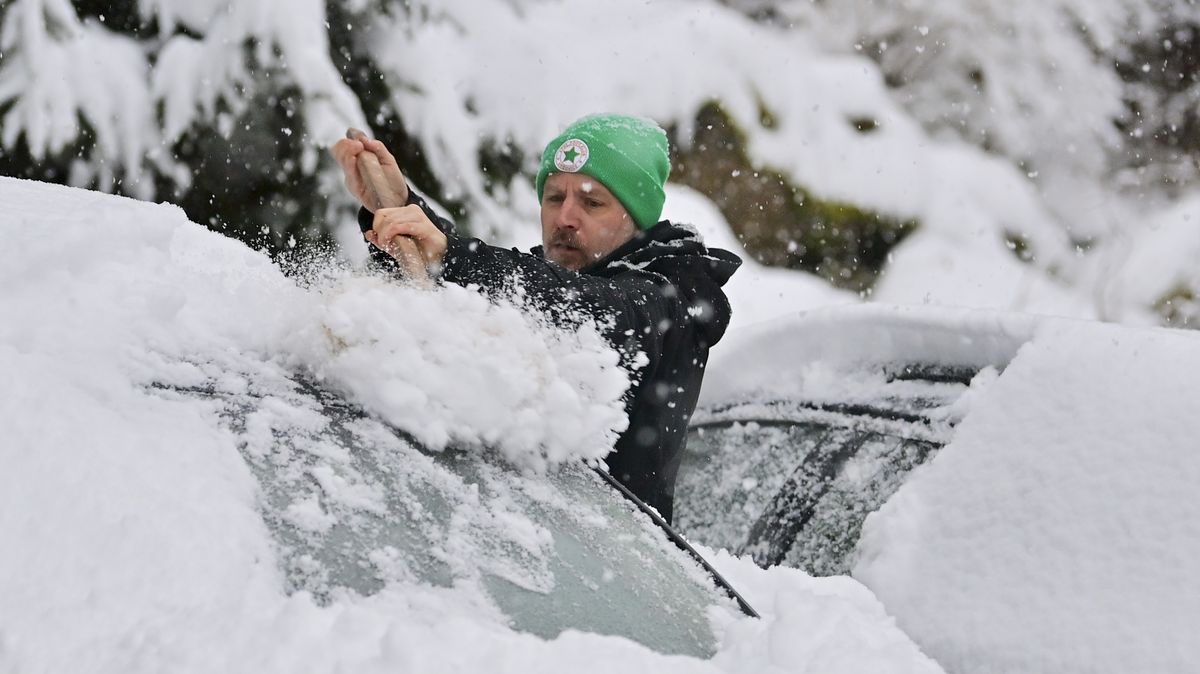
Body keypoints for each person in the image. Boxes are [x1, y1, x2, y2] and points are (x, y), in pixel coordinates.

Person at [331, 114, 741, 524]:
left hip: (611, 568)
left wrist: (451, 256)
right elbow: (482, 300)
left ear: (635, 219)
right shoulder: (548, 280)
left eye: (592, 202)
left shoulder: (673, 296)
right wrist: (401, 207)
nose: (565, 217)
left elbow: (592, 309)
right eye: (554, 197)